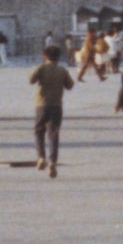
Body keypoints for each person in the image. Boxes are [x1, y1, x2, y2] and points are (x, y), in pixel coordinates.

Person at [29, 44, 74, 178]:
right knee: (53, 134)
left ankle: (41, 157)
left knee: (39, 131)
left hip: (41, 105)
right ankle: (53, 161)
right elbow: (70, 85)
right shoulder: (62, 70)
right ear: (58, 57)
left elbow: (31, 80)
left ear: (45, 56)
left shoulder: (41, 68)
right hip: (57, 105)